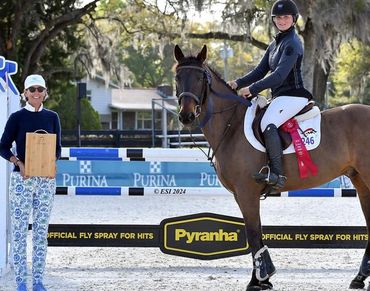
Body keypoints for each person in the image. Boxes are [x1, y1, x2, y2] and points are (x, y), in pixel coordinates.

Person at [228, 0, 313, 190]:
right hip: (280, 97)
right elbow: (259, 71)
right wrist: (238, 83)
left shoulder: (292, 43)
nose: (282, 21)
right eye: (278, 17)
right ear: (274, 20)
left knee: (268, 123)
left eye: (286, 17)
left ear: (293, 19)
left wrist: (252, 89)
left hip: (294, 95)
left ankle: (277, 174)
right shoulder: (275, 44)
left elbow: (279, 75)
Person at [0, 74, 61, 291]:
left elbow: (57, 150)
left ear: (45, 92)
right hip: (21, 180)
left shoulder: (53, 117)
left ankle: (37, 280)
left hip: (45, 181)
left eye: (40, 89)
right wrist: (19, 162)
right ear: (25, 93)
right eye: (32, 89)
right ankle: (20, 282)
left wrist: (52, 164)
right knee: (18, 231)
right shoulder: (16, 118)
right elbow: (3, 146)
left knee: (40, 232)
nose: (36, 93)